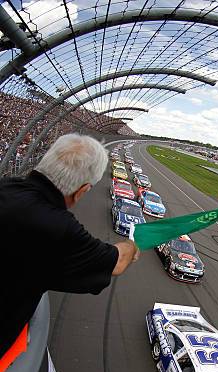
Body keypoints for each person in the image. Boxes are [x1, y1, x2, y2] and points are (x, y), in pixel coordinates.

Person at [0, 133, 139, 359]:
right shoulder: (59, 228)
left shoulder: (6, 185)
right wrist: (133, 245)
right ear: (82, 190)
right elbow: (117, 262)